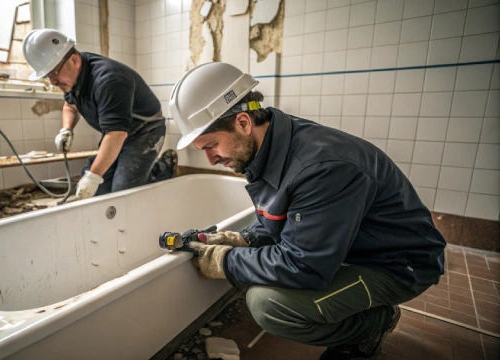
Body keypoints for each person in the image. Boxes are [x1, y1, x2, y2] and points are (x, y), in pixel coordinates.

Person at [168, 62, 446, 360]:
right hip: (350, 248)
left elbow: (305, 266)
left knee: (268, 304)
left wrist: (224, 260)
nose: (210, 160)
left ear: (243, 122)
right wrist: (241, 240)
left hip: (396, 264)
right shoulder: (269, 146)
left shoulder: (320, 168)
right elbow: (282, 220)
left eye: (211, 146)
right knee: (266, 276)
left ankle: (374, 323)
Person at [22, 29, 177, 199]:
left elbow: (116, 135)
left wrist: (93, 176)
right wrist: (66, 129)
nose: (52, 82)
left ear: (74, 60)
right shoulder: (72, 78)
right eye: (47, 76)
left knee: (123, 190)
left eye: (54, 73)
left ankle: (162, 169)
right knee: (100, 191)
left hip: (145, 131)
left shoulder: (110, 79)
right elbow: (70, 106)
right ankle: (141, 173)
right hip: (116, 132)